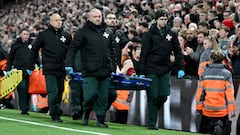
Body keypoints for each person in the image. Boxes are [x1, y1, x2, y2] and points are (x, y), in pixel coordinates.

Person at [66, 8, 115, 128]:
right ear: (89, 18)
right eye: (95, 17)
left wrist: (113, 65)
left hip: (105, 70)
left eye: (99, 16)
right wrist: (69, 64)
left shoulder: (108, 32)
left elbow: (112, 50)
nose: (98, 19)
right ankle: (86, 111)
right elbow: (73, 49)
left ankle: (100, 120)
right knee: (90, 95)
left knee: (103, 97)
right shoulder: (83, 32)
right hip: (90, 70)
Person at [139, 8, 185, 130]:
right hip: (151, 69)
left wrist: (180, 67)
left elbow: (178, 52)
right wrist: (141, 72)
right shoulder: (148, 35)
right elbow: (144, 54)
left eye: (165, 19)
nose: (164, 21)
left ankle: (152, 111)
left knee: (164, 95)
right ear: (156, 20)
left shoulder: (172, 34)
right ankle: (152, 123)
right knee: (153, 96)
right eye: (161, 19)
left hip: (165, 69)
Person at [27, 13, 72, 122]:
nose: (59, 22)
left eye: (60, 20)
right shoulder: (44, 35)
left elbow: (71, 51)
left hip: (62, 68)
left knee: (60, 91)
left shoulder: (66, 35)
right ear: (51, 22)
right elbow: (34, 49)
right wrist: (31, 65)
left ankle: (55, 109)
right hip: (49, 68)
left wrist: (70, 64)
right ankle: (54, 114)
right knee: (53, 91)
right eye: (56, 20)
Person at [196, 51, 236, 135]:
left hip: (207, 110)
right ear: (222, 60)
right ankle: (218, 126)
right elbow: (230, 93)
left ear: (211, 60)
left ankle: (214, 128)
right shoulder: (227, 74)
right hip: (222, 111)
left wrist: (198, 107)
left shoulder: (204, 73)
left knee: (202, 131)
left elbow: (200, 93)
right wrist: (232, 109)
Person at [6, 28, 33, 115]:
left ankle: (25, 107)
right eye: (24, 34)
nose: (26, 36)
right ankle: (23, 108)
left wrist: (39, 64)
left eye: (27, 34)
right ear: (21, 35)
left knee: (28, 89)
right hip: (18, 70)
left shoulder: (32, 45)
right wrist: (8, 69)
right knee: (22, 88)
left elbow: (35, 56)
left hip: (29, 70)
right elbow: (10, 58)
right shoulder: (16, 45)